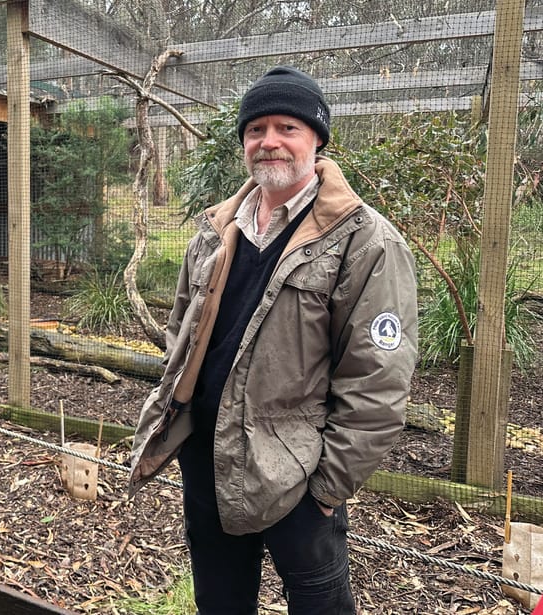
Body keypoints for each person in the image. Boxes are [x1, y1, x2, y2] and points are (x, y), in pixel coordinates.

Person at [128, 66, 419, 614]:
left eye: (287, 127)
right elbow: (181, 331)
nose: (269, 142)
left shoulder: (364, 241)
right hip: (207, 459)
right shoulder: (216, 230)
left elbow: (378, 381)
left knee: (318, 604)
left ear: (316, 139)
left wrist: (328, 488)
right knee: (220, 601)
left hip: (298, 476)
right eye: (256, 129)